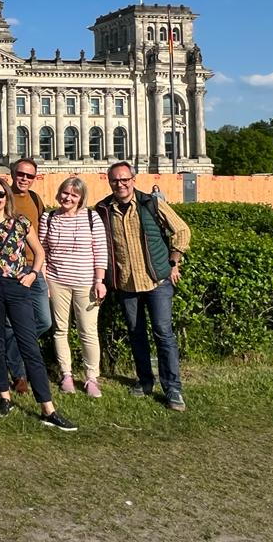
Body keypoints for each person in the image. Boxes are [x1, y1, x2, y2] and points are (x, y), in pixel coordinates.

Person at [0, 177, 77, 431]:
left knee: (30, 346)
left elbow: (39, 252)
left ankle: (47, 407)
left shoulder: (20, 223)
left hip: (17, 287)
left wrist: (32, 274)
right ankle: (4, 397)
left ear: (7, 197)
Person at [95, 162, 192, 411]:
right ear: (109, 182)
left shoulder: (151, 203)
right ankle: (145, 380)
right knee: (136, 334)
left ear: (133, 179)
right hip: (126, 284)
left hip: (156, 281)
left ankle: (172, 389)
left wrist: (173, 261)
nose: (121, 184)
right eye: (116, 180)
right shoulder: (103, 209)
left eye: (125, 179)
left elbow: (181, 230)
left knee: (163, 334)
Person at [39, 177, 108, 398]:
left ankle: (91, 377)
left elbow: (100, 250)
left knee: (87, 331)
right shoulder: (48, 218)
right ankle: (66, 374)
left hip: (86, 282)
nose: (68, 198)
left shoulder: (91, 217)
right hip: (56, 281)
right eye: (65, 193)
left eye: (74, 195)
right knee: (60, 329)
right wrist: (44, 281)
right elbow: (43, 252)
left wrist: (100, 281)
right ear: (59, 194)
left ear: (80, 198)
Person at [4, 158, 52, 394]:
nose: (24, 179)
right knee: (10, 324)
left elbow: (40, 234)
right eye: (20, 174)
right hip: (10, 271)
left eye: (29, 176)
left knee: (44, 320)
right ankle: (19, 374)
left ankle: (11, 355)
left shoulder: (35, 199)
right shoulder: (2, 196)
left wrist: (41, 267)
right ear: (13, 174)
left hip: (34, 270)